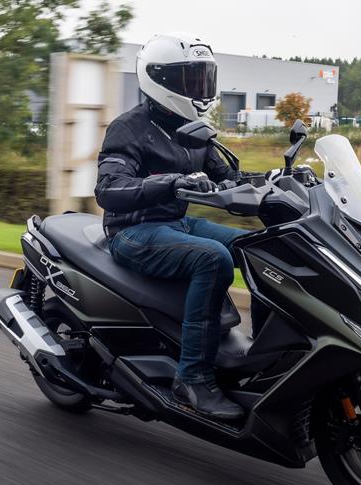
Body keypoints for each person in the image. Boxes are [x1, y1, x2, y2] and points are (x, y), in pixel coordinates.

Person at [94, 32, 266, 421]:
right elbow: (109, 188)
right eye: (189, 80)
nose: (199, 90)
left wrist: (280, 178)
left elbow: (228, 177)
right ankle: (192, 380)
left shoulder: (195, 131)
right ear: (160, 80)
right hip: (132, 232)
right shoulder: (129, 128)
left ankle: (270, 352)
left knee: (262, 247)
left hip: (176, 223)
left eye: (203, 79)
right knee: (214, 259)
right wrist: (171, 182)